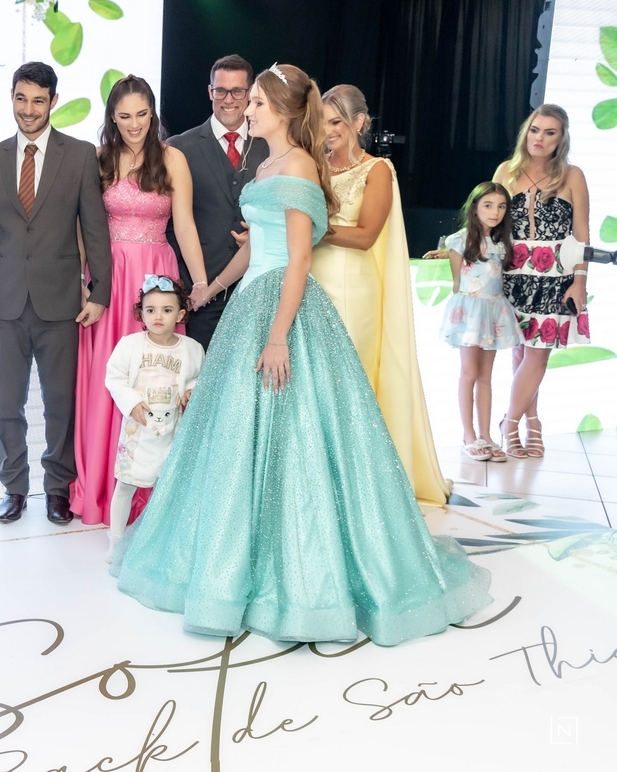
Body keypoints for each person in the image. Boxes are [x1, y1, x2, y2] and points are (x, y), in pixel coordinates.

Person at [112, 64, 493, 646]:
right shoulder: (266, 165)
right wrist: (211, 288)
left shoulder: (298, 165)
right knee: (236, 435)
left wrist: (277, 336)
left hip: (283, 309)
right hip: (250, 301)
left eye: (258, 103)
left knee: (298, 432)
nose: (248, 110)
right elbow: (256, 248)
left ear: (285, 111)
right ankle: (229, 560)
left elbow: (298, 258)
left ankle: (299, 572)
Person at [0, 61, 112, 525]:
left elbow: (95, 227)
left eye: (38, 101)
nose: (28, 110)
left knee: (59, 405)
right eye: (21, 99)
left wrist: (100, 292)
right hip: (3, 302)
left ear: (54, 101)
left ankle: (57, 489)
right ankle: (13, 487)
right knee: (6, 404)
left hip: (61, 301)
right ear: (11, 97)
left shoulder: (80, 155)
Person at [71, 75, 208, 526]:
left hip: (157, 278)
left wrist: (200, 281)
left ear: (154, 114)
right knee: (110, 376)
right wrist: (82, 280)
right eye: (125, 116)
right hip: (109, 277)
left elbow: (184, 224)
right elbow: (83, 226)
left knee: (158, 377)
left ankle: (152, 494)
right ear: (112, 117)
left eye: (142, 115)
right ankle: (102, 487)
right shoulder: (98, 159)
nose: (134, 124)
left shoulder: (171, 158)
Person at [312, 84, 450, 508]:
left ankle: (359, 484)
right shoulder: (313, 166)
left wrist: (313, 226)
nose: (328, 130)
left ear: (359, 122)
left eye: (336, 121)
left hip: (354, 291)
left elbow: (367, 235)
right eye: (322, 122)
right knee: (316, 384)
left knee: (350, 383)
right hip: (311, 285)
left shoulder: (377, 170)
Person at [495, 105, 591, 458]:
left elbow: (582, 234)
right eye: (535, 130)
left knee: (537, 354)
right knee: (520, 353)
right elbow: (488, 221)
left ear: (561, 138)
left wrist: (579, 281)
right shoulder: (506, 171)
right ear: (527, 132)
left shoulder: (572, 175)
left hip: (555, 277)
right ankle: (531, 421)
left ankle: (509, 423)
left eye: (550, 132)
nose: (540, 138)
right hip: (512, 274)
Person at [165, 54, 270, 349]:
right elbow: (169, 222)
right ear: (210, 91)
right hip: (199, 295)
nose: (229, 99)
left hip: (256, 289)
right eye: (221, 91)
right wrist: (188, 280)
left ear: (250, 93)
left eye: (237, 91)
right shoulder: (178, 148)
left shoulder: (271, 146)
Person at [103, 276, 203, 563]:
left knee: (166, 488)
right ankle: (116, 541)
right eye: (150, 310)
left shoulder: (191, 349)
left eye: (167, 310)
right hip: (138, 433)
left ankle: (159, 541)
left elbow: (198, 377)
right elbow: (115, 378)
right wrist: (132, 402)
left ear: (180, 315)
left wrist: (191, 390)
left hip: (171, 432)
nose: (158, 316)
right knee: (125, 485)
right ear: (141, 313)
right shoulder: (130, 345)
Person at [441, 183, 523, 462]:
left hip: (494, 311)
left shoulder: (502, 243)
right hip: (470, 313)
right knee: (469, 373)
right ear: (474, 207)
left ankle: (486, 435)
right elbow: (457, 283)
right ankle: (468, 435)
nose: (495, 212)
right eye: (488, 205)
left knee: (486, 376)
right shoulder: (459, 240)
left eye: (501, 206)